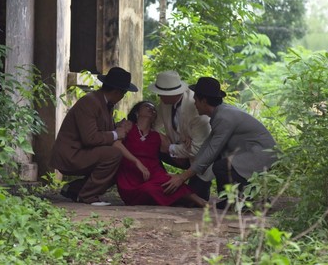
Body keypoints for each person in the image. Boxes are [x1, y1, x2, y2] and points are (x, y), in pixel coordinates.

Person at [162, 77, 277, 210]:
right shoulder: (220, 114)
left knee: (221, 166)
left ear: (203, 101)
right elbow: (207, 146)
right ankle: (233, 199)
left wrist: (182, 177)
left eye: (196, 100)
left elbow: (211, 151)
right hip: (251, 153)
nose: (194, 104)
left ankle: (241, 201)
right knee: (219, 164)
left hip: (262, 155)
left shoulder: (224, 117)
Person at [50, 67, 137, 206]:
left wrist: (118, 128)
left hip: (83, 152)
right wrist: (116, 133)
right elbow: (90, 138)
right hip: (72, 155)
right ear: (116, 92)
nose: (123, 97)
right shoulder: (90, 102)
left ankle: (75, 189)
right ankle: (88, 195)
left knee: (121, 161)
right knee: (114, 154)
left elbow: (102, 132)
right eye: (124, 93)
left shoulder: (105, 103)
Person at [113, 101, 206, 207]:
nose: (151, 109)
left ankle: (201, 202)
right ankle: (175, 200)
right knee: (148, 189)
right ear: (137, 112)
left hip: (153, 173)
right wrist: (137, 161)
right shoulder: (128, 126)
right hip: (130, 174)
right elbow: (115, 143)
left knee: (169, 182)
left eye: (154, 109)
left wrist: (186, 139)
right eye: (147, 106)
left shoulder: (159, 136)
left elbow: (178, 156)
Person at [148, 70, 213, 200]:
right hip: (182, 151)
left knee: (194, 200)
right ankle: (157, 178)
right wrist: (164, 139)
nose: (160, 97)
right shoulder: (165, 103)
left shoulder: (196, 108)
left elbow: (198, 149)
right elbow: (153, 127)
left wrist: (171, 148)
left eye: (162, 94)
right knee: (151, 144)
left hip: (200, 161)